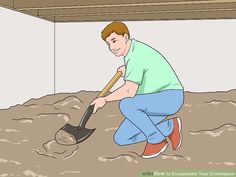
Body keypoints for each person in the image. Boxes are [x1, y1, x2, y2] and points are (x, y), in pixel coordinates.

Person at [90, 21, 184, 159]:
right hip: (151, 102)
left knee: (127, 104)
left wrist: (105, 99)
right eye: (109, 44)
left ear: (126, 37)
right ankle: (170, 127)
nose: (112, 47)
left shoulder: (136, 55)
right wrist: (127, 70)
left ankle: (156, 140)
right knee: (122, 138)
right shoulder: (132, 54)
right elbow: (146, 71)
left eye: (114, 40)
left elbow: (129, 91)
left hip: (170, 97)